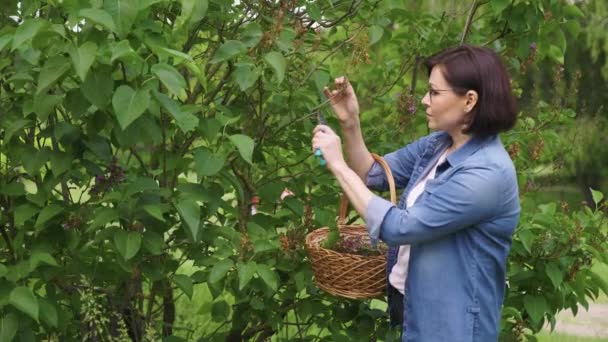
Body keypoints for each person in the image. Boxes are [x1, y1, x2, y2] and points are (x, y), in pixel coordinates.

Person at [311, 45, 521, 341]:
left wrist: (337, 164)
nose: (424, 100)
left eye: (435, 92)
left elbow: (399, 227)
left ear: (469, 100)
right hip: (414, 310)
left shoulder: (486, 173)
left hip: (452, 327)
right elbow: (372, 173)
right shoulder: (439, 144)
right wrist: (350, 122)